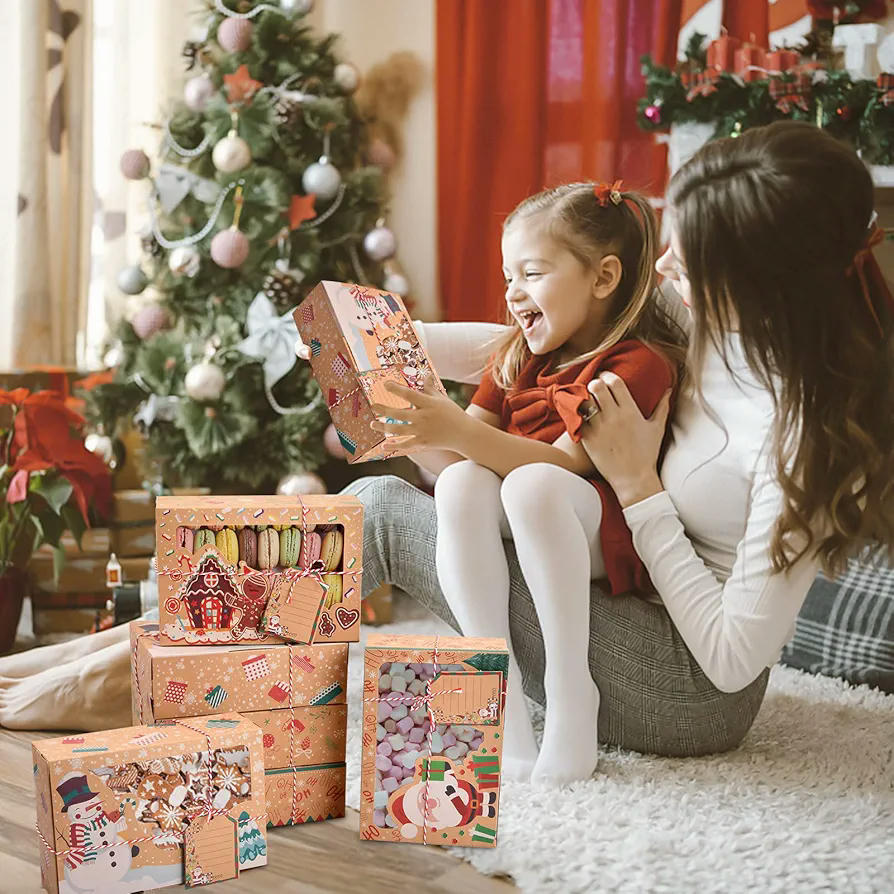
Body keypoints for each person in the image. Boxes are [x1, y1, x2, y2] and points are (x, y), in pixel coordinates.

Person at [338, 120, 894, 782]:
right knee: (462, 493)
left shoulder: (801, 435)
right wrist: (391, 345)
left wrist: (639, 487)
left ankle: (224, 676)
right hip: (606, 586)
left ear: (756, 283)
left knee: (384, 509)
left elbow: (729, 659)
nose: (660, 268)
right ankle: (225, 672)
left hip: (690, 690)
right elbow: (554, 357)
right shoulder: (714, 326)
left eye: (684, 262)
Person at [364, 181, 686, 784]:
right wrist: (410, 430)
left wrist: (453, 427)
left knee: (532, 485)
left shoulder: (636, 363)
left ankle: (571, 691)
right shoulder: (516, 357)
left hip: (587, 525)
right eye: (507, 275)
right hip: (519, 511)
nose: (512, 293)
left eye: (531, 274)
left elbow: (568, 467)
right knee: (461, 487)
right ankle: (496, 691)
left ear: (603, 277)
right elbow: (463, 461)